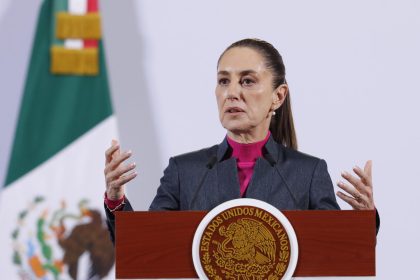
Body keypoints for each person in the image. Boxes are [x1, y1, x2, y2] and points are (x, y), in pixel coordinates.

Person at [103, 39, 379, 243]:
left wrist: (363, 221)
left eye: (247, 81)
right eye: (224, 81)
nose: (232, 93)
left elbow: (338, 251)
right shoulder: (184, 172)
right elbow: (142, 246)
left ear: (278, 96)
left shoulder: (307, 173)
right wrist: (116, 200)